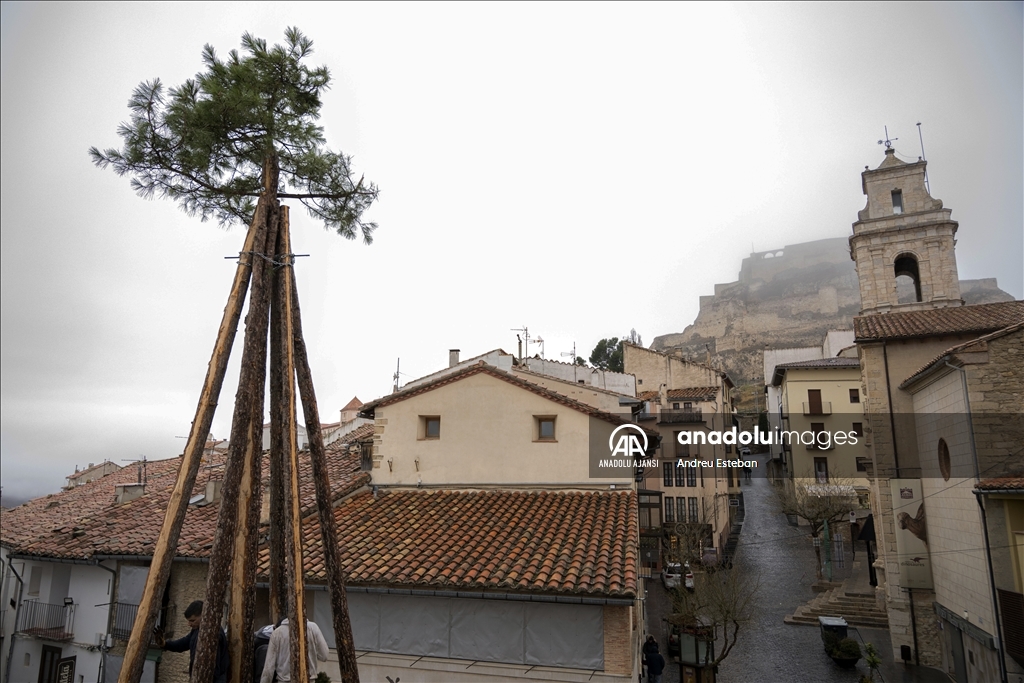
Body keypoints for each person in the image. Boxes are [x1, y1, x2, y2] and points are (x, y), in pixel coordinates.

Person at [154, 600, 229, 683]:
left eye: (192, 620)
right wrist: (165, 644)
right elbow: (183, 643)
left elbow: (214, 668)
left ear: (204, 616)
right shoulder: (197, 630)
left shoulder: (215, 633)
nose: (189, 624)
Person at [259, 614, 330, 683]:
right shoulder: (313, 628)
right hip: (308, 680)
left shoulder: (277, 633)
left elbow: (268, 669)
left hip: (284, 680)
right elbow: (324, 656)